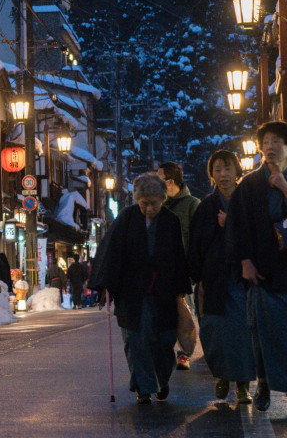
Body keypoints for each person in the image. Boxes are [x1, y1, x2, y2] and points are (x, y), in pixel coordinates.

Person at [229, 120, 287, 417]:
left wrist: (286, 189)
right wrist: (244, 261)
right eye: (265, 142)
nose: (269, 147)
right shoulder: (248, 186)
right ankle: (265, 384)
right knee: (262, 335)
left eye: (277, 142)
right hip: (262, 272)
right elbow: (236, 227)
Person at [92, 172, 190, 404]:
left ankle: (162, 380)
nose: (148, 208)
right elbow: (111, 252)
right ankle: (144, 387)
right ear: (137, 200)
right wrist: (104, 283)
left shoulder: (170, 220)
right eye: (144, 203)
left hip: (163, 290)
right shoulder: (126, 218)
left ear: (162, 200)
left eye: (153, 203)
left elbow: (178, 256)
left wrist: (181, 288)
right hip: (132, 291)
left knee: (164, 339)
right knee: (136, 339)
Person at [186, 151, 256, 404]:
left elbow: (259, 236)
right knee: (214, 330)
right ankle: (222, 377)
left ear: (237, 171)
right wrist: (196, 276)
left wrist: (232, 224)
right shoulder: (206, 207)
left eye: (227, 169)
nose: (223, 175)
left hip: (243, 276)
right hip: (213, 279)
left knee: (243, 331)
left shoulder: (248, 201)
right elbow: (196, 244)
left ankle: (243, 385)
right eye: (217, 170)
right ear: (211, 174)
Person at [159, 162, 201, 370]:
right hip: (164, 271)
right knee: (168, 314)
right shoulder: (158, 205)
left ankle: (186, 353)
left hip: (187, 270)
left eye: (160, 180)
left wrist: (194, 267)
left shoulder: (192, 204)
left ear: (171, 182)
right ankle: (170, 352)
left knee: (188, 312)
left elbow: (198, 239)